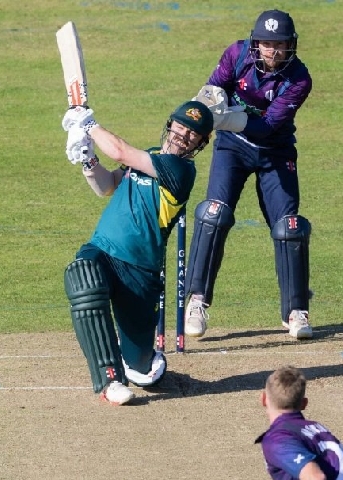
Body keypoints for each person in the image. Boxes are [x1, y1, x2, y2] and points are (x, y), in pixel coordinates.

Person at [60, 100, 214, 405]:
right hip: (103, 250)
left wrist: (88, 124)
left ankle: (143, 363)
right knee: (84, 279)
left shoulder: (180, 171)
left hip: (140, 272)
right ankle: (109, 381)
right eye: (181, 126)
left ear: (200, 144)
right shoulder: (151, 155)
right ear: (170, 125)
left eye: (193, 133)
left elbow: (118, 150)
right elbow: (107, 186)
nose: (183, 135)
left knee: (142, 370)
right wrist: (88, 161)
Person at [184, 9, 315, 340]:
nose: (273, 51)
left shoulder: (299, 79)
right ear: (256, 43)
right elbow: (214, 90)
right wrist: (203, 112)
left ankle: (296, 312)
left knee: (290, 228)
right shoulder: (235, 54)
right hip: (232, 148)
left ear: (290, 46)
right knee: (213, 214)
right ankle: (196, 301)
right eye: (267, 44)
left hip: (275, 150)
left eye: (280, 45)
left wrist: (225, 118)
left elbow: (268, 125)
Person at [256, 366, 343, 480]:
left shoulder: (277, 439)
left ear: (263, 399)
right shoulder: (315, 427)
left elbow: (316, 477)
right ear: (304, 403)